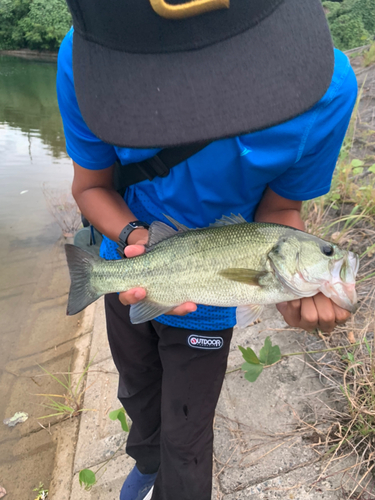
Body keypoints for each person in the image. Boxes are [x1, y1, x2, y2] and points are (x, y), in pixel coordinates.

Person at [57, 0, 358, 498]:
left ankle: (174, 477)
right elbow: (91, 188)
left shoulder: (327, 88)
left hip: (207, 304)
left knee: (189, 428)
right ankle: (146, 461)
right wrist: (136, 239)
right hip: (127, 270)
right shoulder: (90, 57)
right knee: (136, 388)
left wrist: (289, 291)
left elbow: (282, 212)